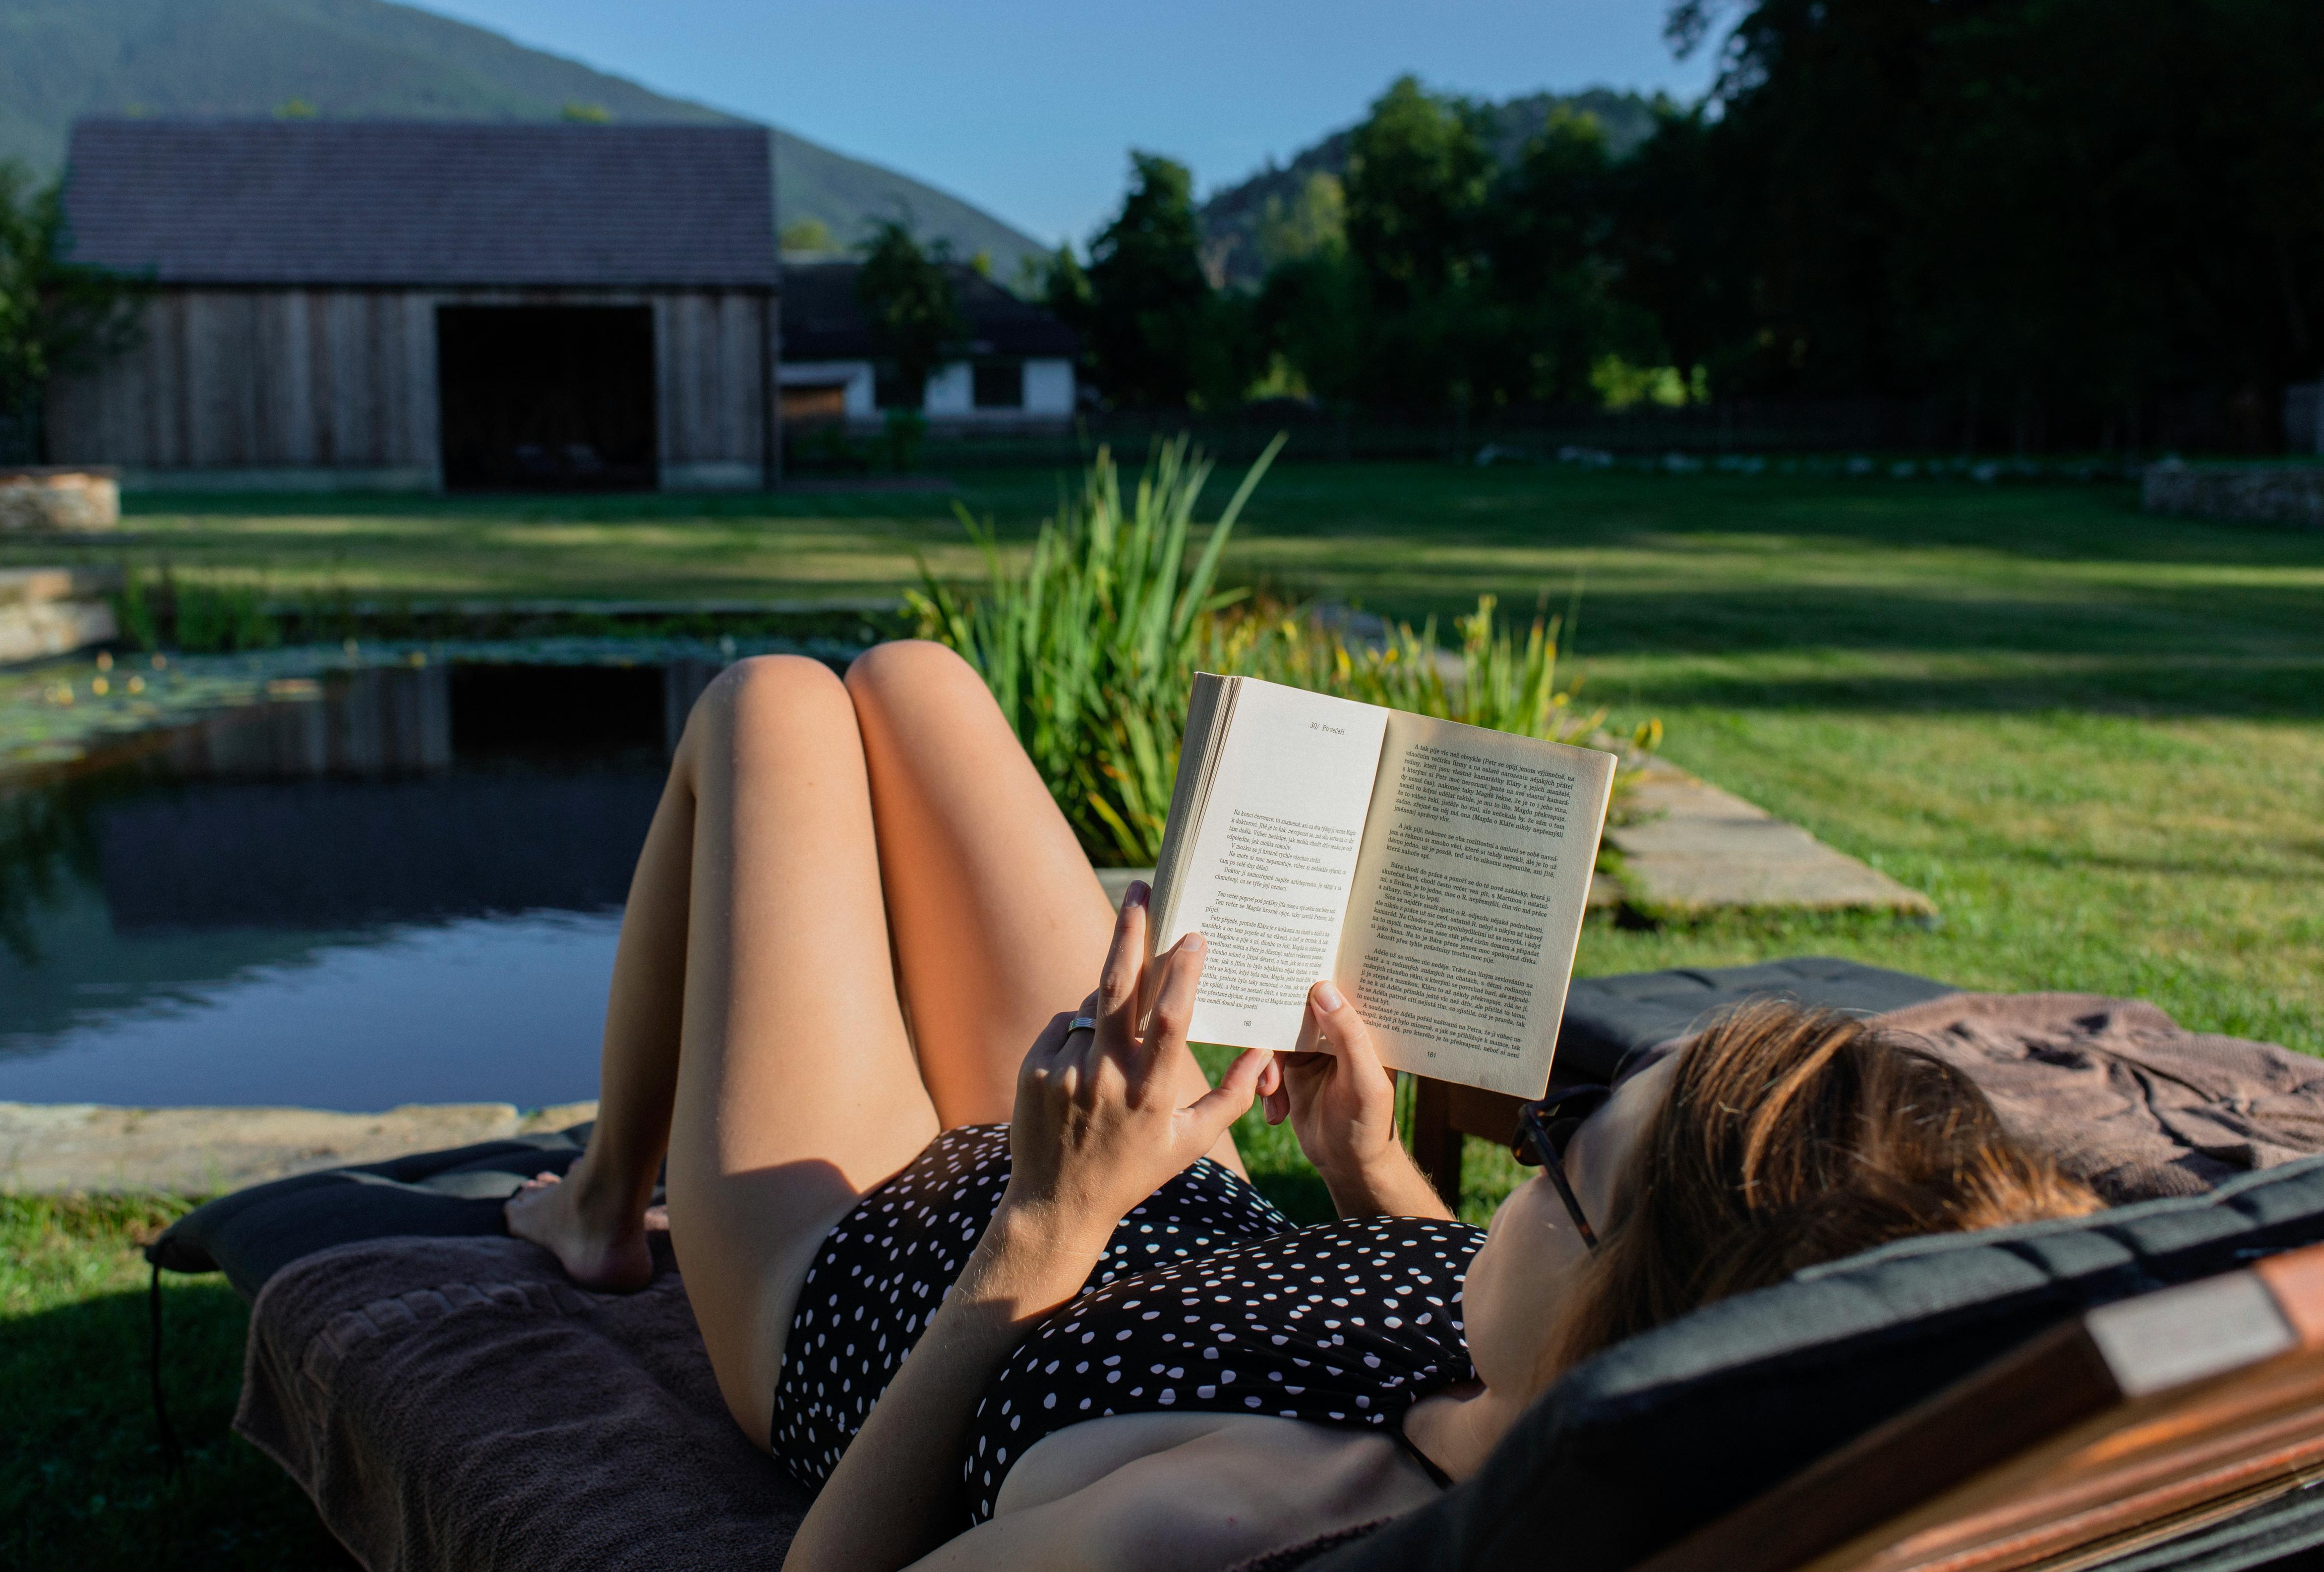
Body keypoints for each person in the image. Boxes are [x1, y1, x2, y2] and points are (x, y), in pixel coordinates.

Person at [507, 643, 2100, 1572]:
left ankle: (602, 1212)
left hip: (875, 1259)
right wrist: (1373, 1169)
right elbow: (1473, 1299)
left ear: (1629, 1322)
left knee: (766, 707)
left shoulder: (1228, 1525)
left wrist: (1045, 1228)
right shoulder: (1522, 1375)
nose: (1515, 1176)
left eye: (1556, 1163)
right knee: (915, 679)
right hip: (1145, 1166)